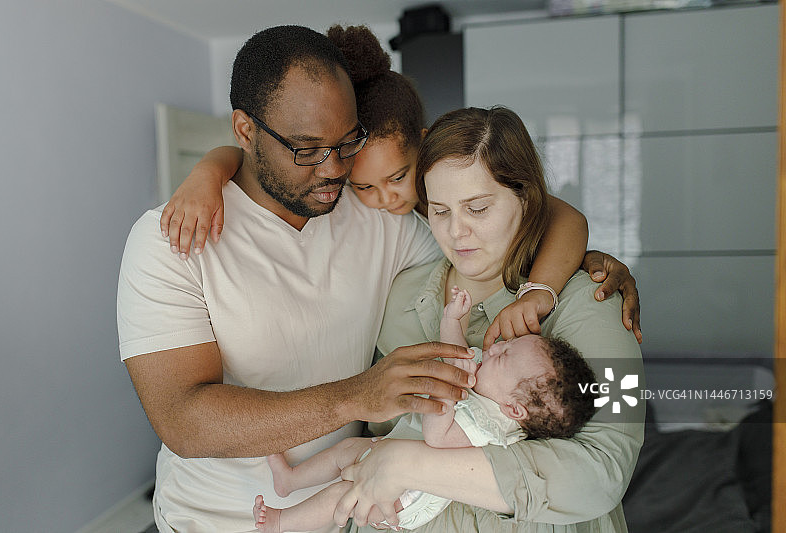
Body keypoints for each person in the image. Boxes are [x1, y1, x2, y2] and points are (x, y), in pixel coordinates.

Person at [116, 26, 609, 532]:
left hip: (350, 516)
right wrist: (359, 395)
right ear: (244, 131)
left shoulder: (373, 211)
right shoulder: (172, 241)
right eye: (306, 149)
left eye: (346, 142)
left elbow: (513, 224)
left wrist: (586, 265)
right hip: (211, 522)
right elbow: (184, 421)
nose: (333, 170)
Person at [160, 24, 643, 345]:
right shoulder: (387, 263)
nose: (386, 198)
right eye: (363, 186)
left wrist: (550, 284)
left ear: (427, 149)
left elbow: (561, 216)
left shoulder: (588, 300)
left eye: (477, 209)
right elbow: (253, 156)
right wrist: (207, 173)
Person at [329, 107, 645, 533]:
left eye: (477, 208)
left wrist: (412, 464)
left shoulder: (597, 299)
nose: (456, 232)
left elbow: (605, 470)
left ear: (526, 199)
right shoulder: (398, 298)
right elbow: (375, 440)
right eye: (440, 211)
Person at [251, 288, 597, 532]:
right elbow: (454, 355)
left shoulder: (489, 428)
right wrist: (452, 321)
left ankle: (284, 523)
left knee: (345, 494)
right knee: (347, 450)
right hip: (389, 451)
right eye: (507, 344)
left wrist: (450, 393)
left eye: (505, 355)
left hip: (406, 497)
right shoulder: (489, 381)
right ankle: (291, 480)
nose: (496, 348)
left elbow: (437, 437)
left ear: (514, 409)